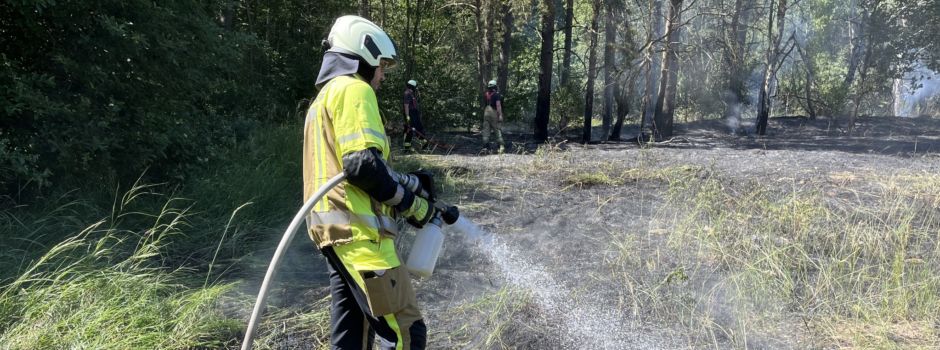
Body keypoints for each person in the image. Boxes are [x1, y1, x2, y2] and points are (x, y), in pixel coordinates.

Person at [304, 15, 434, 349]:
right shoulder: (353, 89)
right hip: (362, 237)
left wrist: (410, 184)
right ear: (363, 54)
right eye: (381, 66)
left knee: (352, 335)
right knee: (405, 332)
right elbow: (362, 165)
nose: (382, 75)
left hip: (335, 234)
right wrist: (412, 204)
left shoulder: (323, 99)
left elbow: (360, 166)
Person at [482, 80, 505, 153]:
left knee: (486, 129)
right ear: (495, 86)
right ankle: (501, 146)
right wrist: (500, 115)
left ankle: (486, 146)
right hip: (494, 112)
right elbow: (498, 105)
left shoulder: (486, 94)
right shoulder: (497, 95)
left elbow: (485, 104)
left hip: (486, 112)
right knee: (497, 129)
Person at [402, 80, 425, 151]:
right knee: (411, 129)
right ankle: (407, 147)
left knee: (414, 128)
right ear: (412, 87)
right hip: (411, 113)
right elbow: (406, 105)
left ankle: (422, 143)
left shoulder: (411, 93)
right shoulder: (407, 93)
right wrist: (407, 116)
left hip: (414, 113)